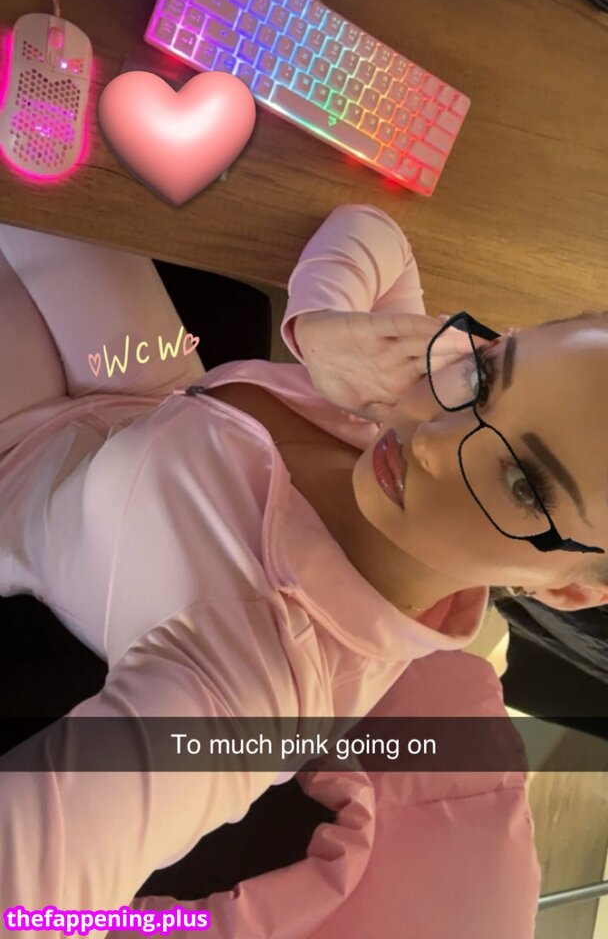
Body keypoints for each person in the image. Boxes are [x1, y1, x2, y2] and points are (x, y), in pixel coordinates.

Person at [0, 203, 606, 927]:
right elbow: (377, 234)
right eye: (487, 372)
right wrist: (322, 325)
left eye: (523, 485)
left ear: (567, 589)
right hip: (141, 381)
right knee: (41, 177)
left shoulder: (254, 682)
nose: (430, 438)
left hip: (16, 470)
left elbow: (26, 892)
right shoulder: (411, 395)